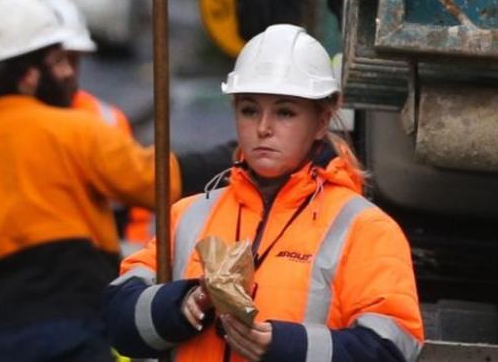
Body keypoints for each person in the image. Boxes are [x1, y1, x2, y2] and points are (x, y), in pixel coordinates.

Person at [0, 0, 228, 361]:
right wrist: (230, 156)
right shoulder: (74, 131)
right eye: (58, 62)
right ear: (30, 76)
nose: (69, 71)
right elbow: (153, 180)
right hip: (74, 332)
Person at [102, 24, 423, 362]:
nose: (263, 128)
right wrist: (184, 304)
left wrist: (285, 346)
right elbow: (117, 316)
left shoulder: (364, 229)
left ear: (321, 121)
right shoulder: (191, 214)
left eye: (285, 112)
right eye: (249, 110)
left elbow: (392, 349)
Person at [0, 0, 154, 247]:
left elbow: (136, 202)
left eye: (72, 59)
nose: (68, 72)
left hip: (91, 269)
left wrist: (129, 264)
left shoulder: (106, 119)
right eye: (59, 61)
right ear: (28, 71)